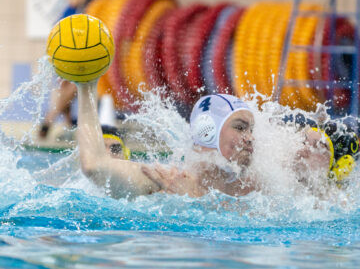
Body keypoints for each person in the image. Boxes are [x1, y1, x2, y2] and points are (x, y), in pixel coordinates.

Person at [77, 80, 256, 199]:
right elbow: (94, 165)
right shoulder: (161, 181)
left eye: (251, 130)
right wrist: (86, 86)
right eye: (240, 128)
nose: (250, 138)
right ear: (207, 132)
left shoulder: (253, 187)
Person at [39, 0, 114, 139]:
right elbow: (74, 0)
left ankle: (49, 121)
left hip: (88, 34)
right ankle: (63, 124)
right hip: (66, 30)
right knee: (65, 81)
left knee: (76, 81)